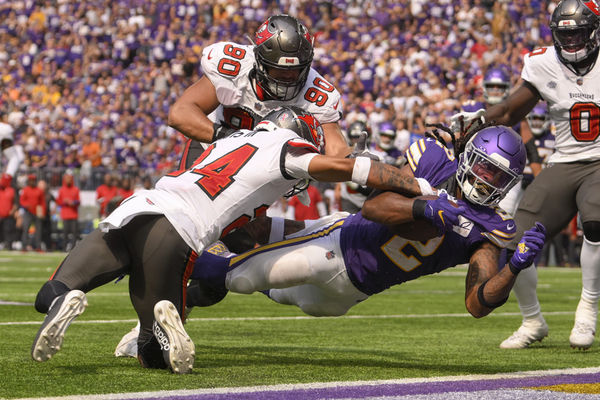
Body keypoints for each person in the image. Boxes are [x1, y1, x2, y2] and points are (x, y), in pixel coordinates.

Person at [31, 107, 430, 374]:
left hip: (139, 206)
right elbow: (338, 167)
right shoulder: (288, 148)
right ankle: (164, 326)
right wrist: (410, 182)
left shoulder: (227, 141)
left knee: (53, 288)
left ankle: (65, 299)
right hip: (178, 231)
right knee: (152, 356)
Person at [190, 124, 546, 328]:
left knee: (272, 278)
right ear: (469, 158)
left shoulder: (493, 227)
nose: (486, 179)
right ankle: (181, 255)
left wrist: (513, 268)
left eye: (497, 175)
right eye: (484, 166)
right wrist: (425, 208)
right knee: (240, 276)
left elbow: (476, 304)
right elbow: (375, 206)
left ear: (510, 182)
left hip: (349, 295)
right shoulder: (434, 161)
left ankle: (199, 277)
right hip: (336, 248)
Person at [450, 0, 600, 350]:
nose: (572, 42)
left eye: (578, 33)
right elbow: (511, 109)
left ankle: (588, 309)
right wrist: (482, 119)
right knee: (513, 237)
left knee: (595, 220)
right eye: (566, 35)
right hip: (563, 161)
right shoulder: (544, 62)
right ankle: (532, 320)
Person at [168, 14, 349, 174]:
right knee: (184, 204)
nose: (287, 77)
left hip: (263, 168)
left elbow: (337, 150)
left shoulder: (317, 93)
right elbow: (180, 114)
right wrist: (235, 139)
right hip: (213, 147)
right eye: (279, 71)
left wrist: (358, 163)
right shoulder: (234, 66)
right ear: (260, 62)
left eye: (295, 70)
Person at [19, 174, 45, 252]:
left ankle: (38, 247)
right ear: (29, 181)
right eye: (31, 180)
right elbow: (21, 201)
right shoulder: (26, 190)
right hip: (28, 212)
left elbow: (42, 202)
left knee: (38, 230)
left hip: (37, 212)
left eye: (33, 180)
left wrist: (42, 212)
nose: (32, 182)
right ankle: (24, 247)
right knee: (26, 229)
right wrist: (26, 205)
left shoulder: (39, 190)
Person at [56, 173, 80, 252]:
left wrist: (72, 202)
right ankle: (64, 248)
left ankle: (73, 249)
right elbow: (58, 202)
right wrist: (65, 202)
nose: (68, 181)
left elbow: (78, 201)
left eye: (69, 179)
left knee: (74, 233)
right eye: (67, 179)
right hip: (65, 215)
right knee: (65, 233)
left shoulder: (75, 189)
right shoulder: (61, 190)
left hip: (73, 214)